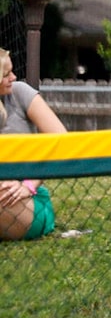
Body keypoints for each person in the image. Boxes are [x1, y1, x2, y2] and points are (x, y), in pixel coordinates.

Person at [0, 46, 66, 243]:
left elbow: (62, 141)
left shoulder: (19, 93)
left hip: (23, 198)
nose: (13, 77)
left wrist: (29, 184)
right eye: (6, 74)